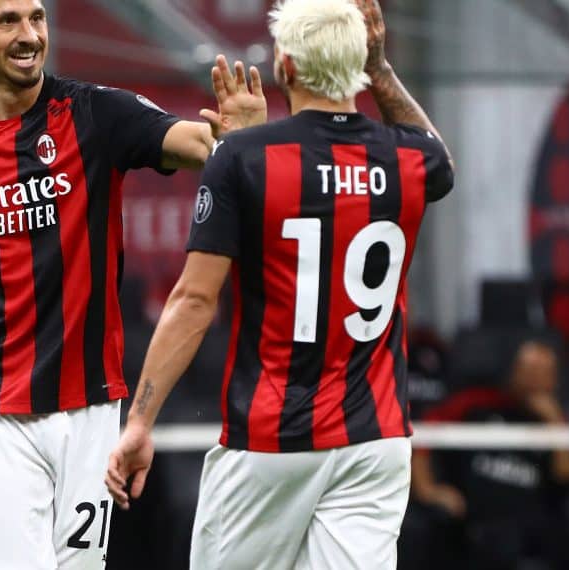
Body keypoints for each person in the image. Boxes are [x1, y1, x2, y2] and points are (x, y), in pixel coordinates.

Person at [0, 0, 266, 567]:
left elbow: (196, 144)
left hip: (89, 412)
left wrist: (238, 142)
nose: (29, 35)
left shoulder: (95, 113)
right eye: (8, 21)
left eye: (37, 18)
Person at [105, 0, 455, 568]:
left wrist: (140, 421)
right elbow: (437, 156)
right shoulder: (409, 161)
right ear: (361, 62)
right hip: (376, 441)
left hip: (272, 440)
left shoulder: (245, 157)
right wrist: (383, 69)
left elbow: (194, 302)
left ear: (284, 66)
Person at [411, 338, 569, 569]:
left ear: (555, 380)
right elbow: (421, 436)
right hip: (470, 526)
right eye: (529, 369)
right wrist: (429, 490)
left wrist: (553, 420)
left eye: (543, 371)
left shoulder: (557, 423)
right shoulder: (475, 403)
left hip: (529, 533)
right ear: (513, 371)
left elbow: (568, 477)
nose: (535, 379)